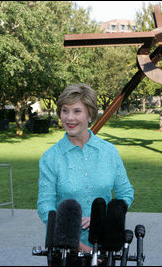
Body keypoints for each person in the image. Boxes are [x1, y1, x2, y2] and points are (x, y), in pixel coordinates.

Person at [37, 83, 134, 253]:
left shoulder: (109, 152)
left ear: (90, 114)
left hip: (105, 247)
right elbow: (46, 206)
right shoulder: (51, 157)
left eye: (76, 111)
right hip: (65, 249)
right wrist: (74, 242)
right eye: (64, 110)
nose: (69, 118)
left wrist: (105, 219)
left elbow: (125, 193)